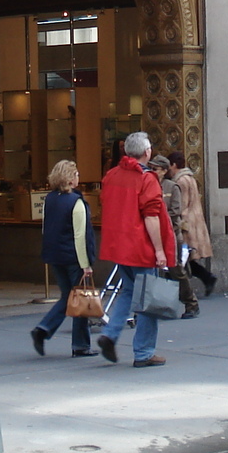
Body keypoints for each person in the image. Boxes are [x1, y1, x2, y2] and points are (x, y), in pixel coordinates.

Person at [98, 132, 176, 367]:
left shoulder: (112, 175)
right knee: (147, 298)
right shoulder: (147, 178)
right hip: (140, 247)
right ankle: (143, 352)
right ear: (146, 152)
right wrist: (160, 251)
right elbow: (151, 216)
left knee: (129, 292)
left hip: (120, 246)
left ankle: (111, 333)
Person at [30, 160, 97, 358]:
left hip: (55, 255)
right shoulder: (76, 202)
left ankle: (45, 329)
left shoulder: (50, 199)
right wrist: (85, 264)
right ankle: (80, 344)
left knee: (69, 296)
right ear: (69, 178)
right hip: (73, 257)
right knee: (80, 298)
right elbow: (80, 235)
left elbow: (46, 227)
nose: (78, 177)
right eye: (76, 174)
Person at [149, 154, 199, 318]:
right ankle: (157, 305)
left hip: (171, 234)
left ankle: (191, 303)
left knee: (176, 270)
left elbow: (175, 211)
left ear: (164, 171)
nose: (152, 171)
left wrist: (159, 220)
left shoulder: (172, 187)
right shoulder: (148, 185)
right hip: (153, 234)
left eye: (155, 169)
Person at [168, 152, 216, 298]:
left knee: (182, 258)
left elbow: (181, 205)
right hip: (194, 222)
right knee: (187, 258)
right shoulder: (189, 178)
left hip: (186, 225)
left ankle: (205, 279)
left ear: (174, 165)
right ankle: (207, 278)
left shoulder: (180, 181)